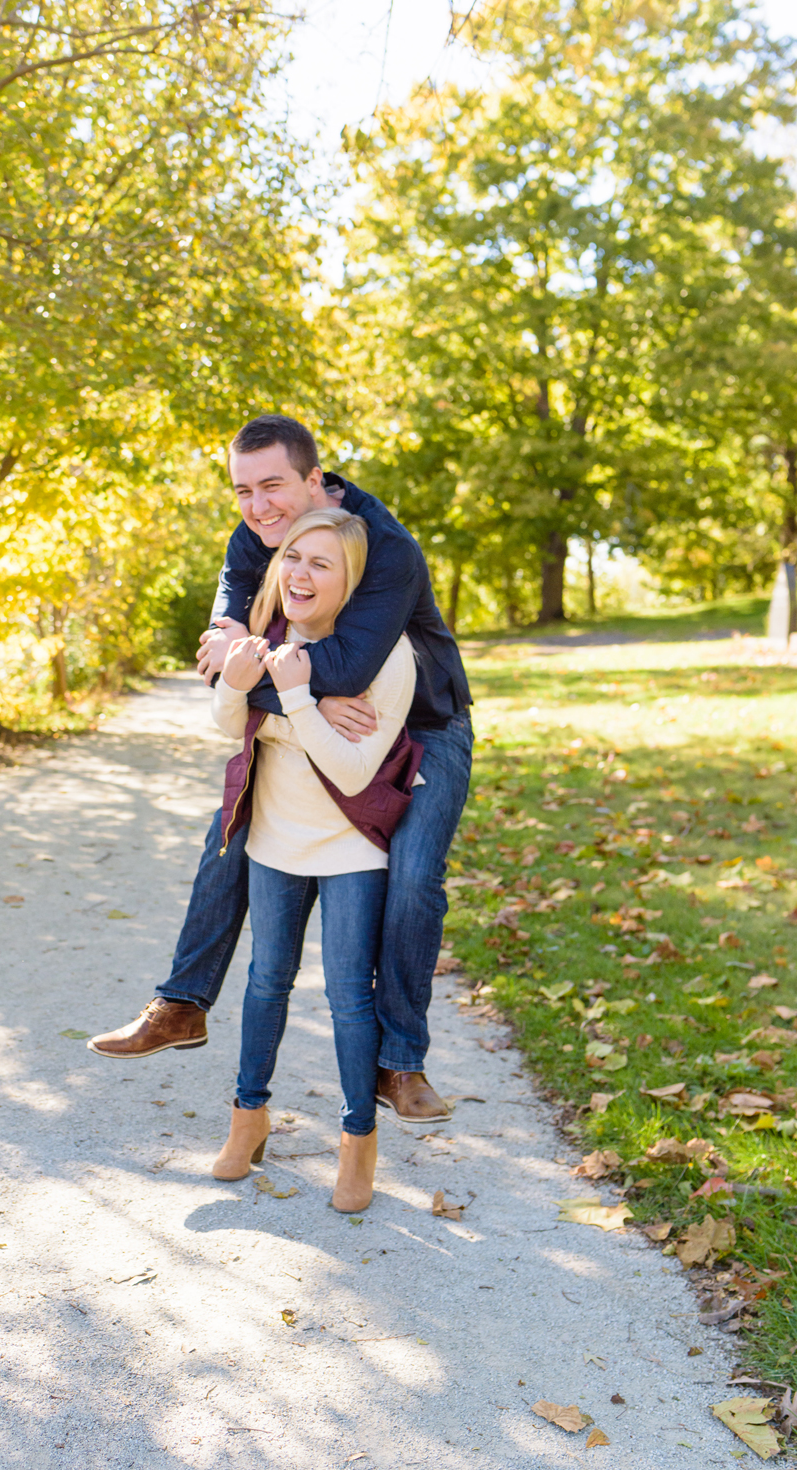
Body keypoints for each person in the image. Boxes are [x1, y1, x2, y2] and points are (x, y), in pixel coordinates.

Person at [87, 415, 473, 1125]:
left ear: (316, 480)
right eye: (243, 490)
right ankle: (181, 1004)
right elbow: (218, 665)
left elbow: (349, 667)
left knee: (416, 874)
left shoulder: (384, 549)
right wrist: (272, 686)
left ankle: (400, 1061)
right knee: (233, 829)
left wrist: (253, 676)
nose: (259, 507)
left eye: (274, 486)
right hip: (317, 719)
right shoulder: (251, 540)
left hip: (422, 724)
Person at [207, 508, 419, 1212]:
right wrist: (245, 690)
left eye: (320, 563)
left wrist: (291, 701)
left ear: (351, 580)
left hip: (351, 847)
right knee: (267, 980)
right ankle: (248, 1119)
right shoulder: (268, 636)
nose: (299, 572)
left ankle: (358, 1142)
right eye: (293, 556)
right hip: (273, 839)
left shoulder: (388, 657)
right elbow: (227, 725)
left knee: (349, 997)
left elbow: (357, 773)